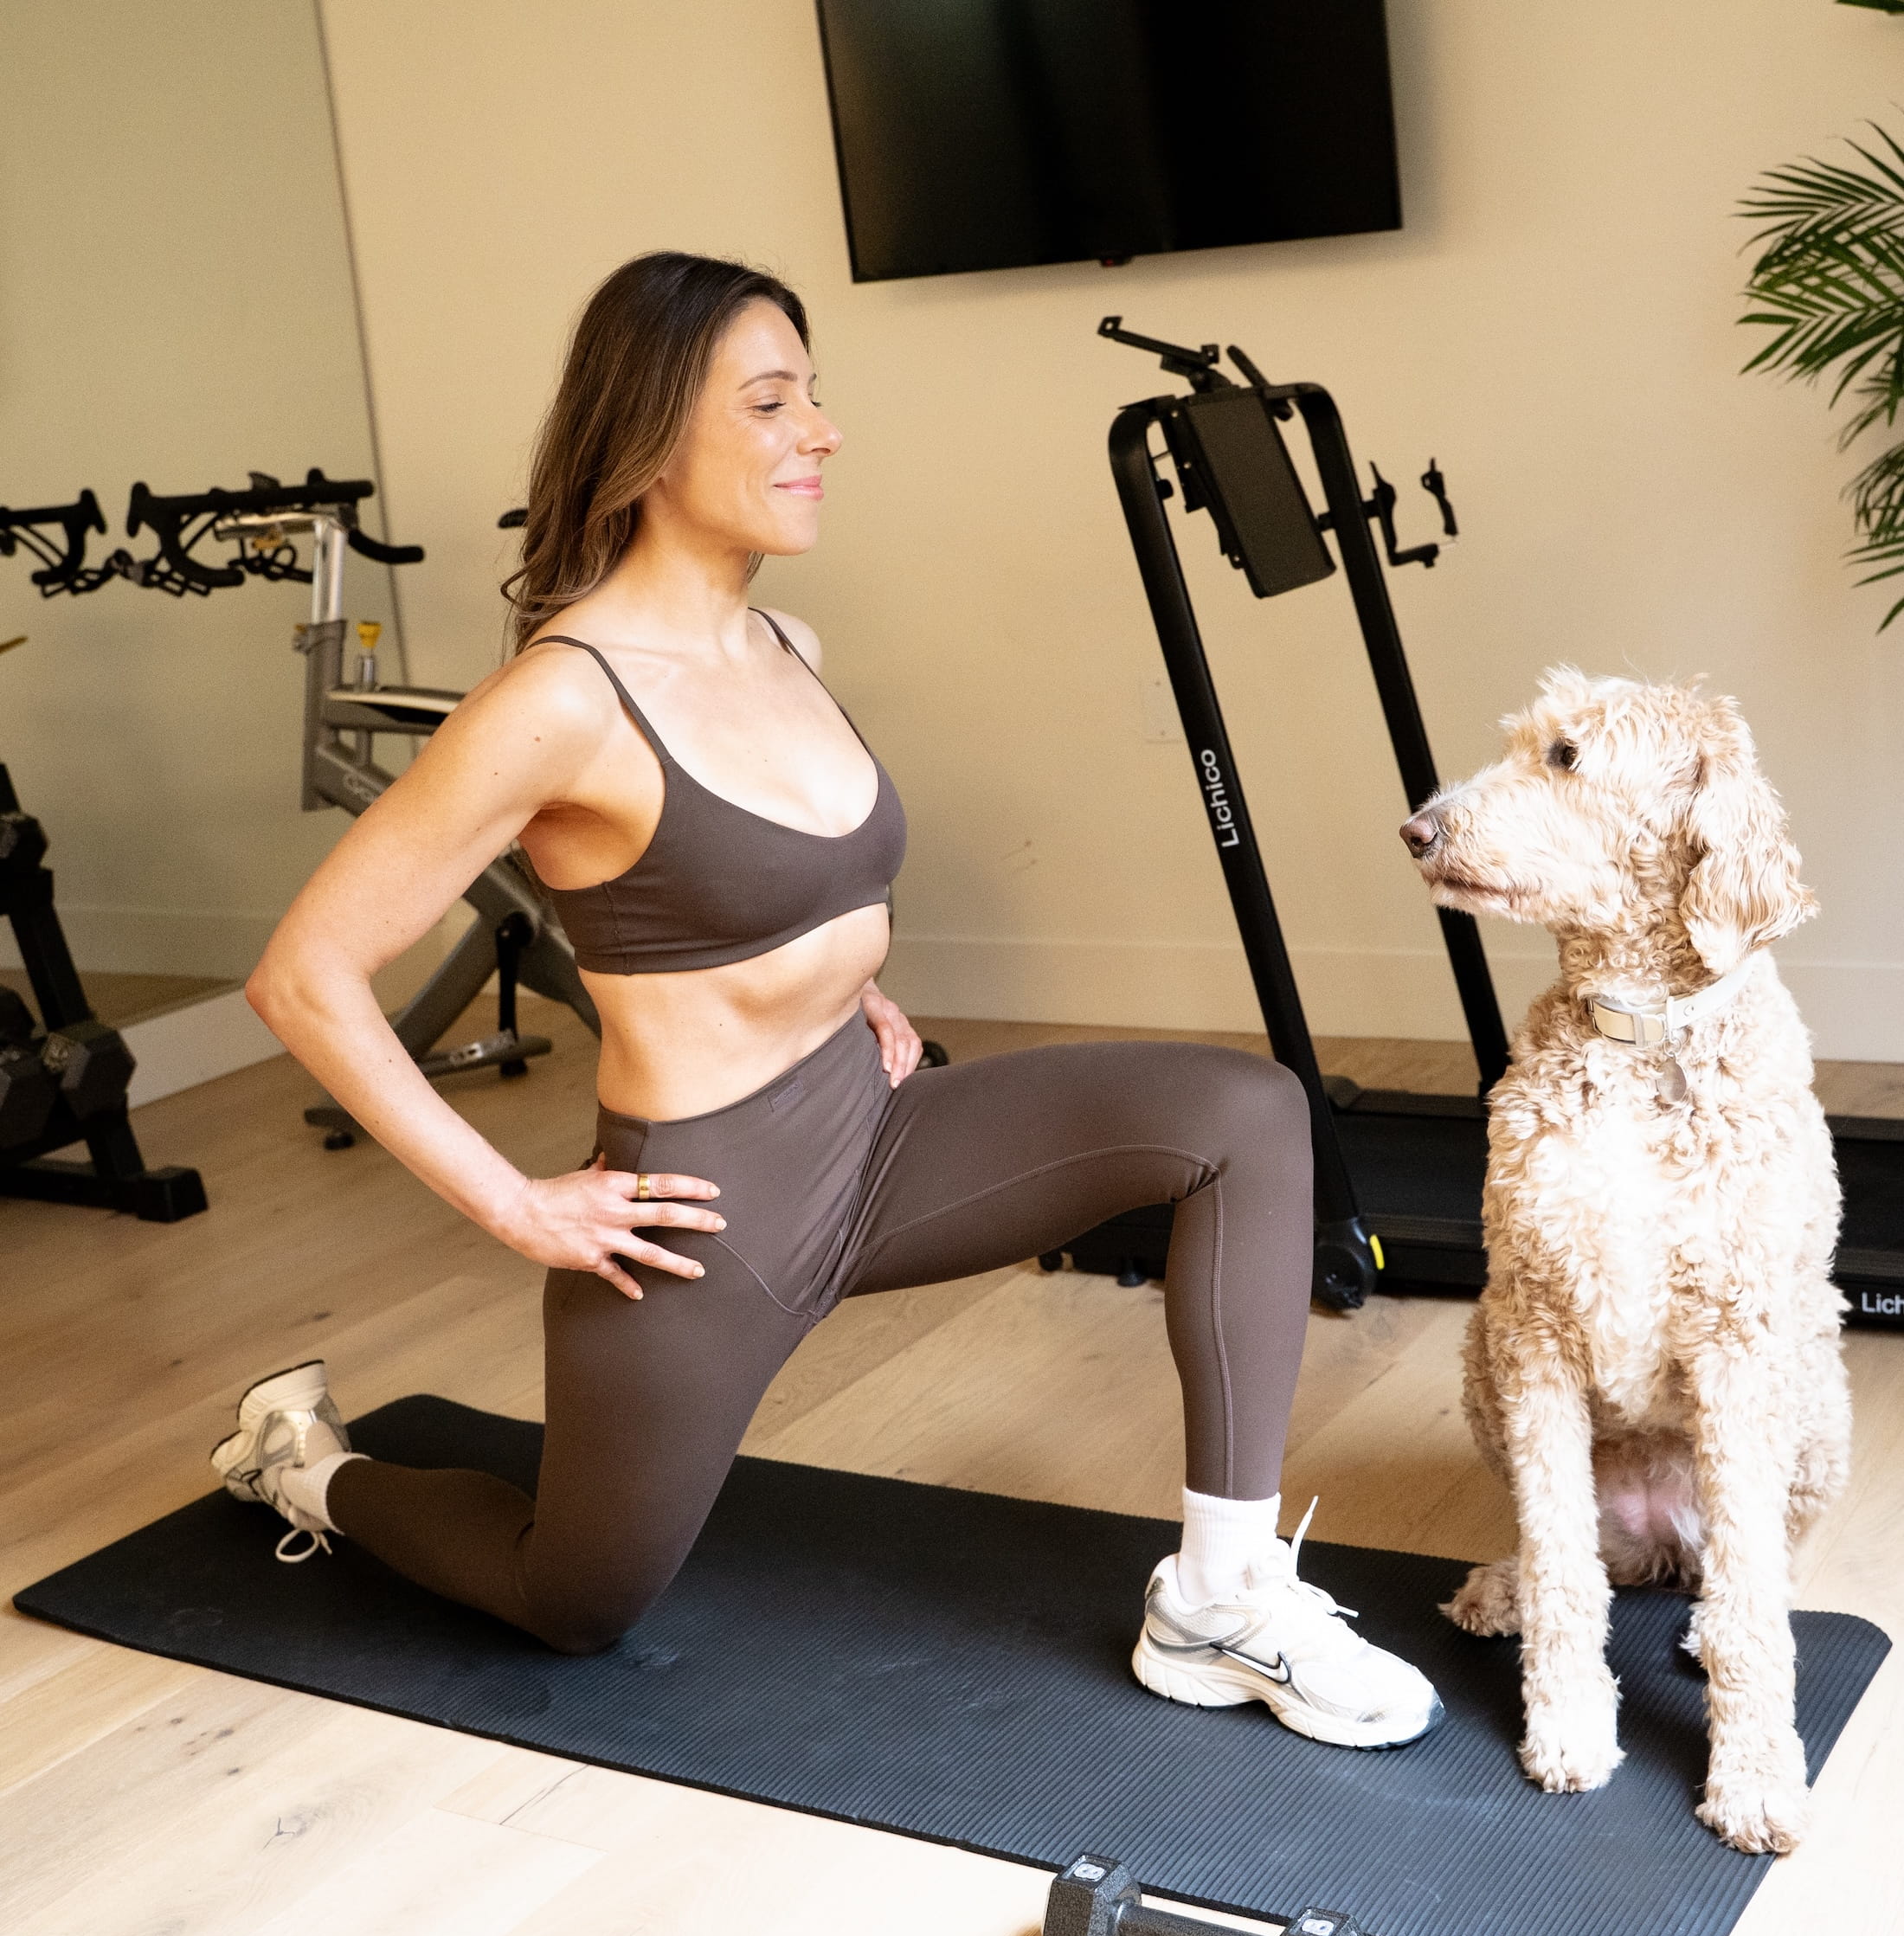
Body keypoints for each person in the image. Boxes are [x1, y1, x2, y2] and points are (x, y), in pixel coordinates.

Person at [217, 251, 1440, 1749]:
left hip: (875, 1132)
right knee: (576, 1598)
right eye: (774, 400)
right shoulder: (564, 698)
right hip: (704, 1214)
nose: (824, 431)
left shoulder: (789, 644)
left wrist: (860, 983)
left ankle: (1222, 1590)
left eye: (818, 394)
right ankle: (303, 1467)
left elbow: (765, 889)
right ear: (653, 434)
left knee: (1244, 1115)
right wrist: (515, 1203)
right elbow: (305, 974)